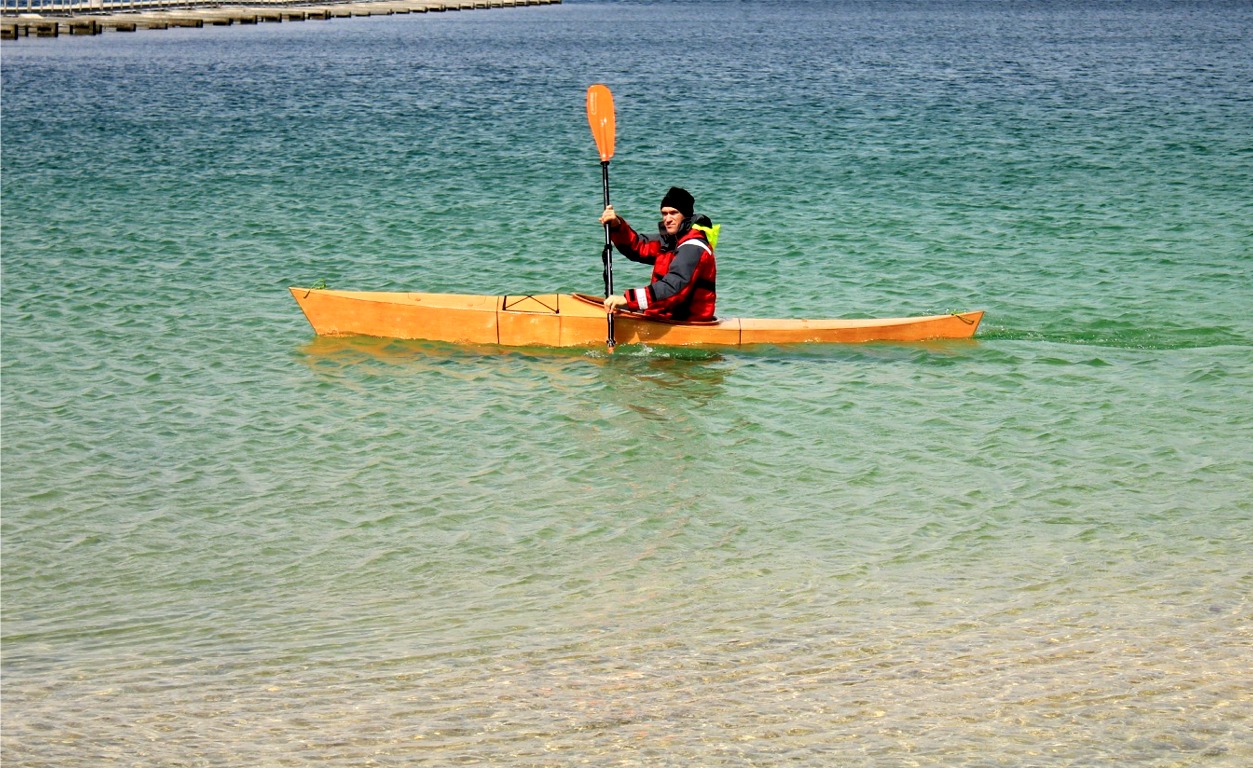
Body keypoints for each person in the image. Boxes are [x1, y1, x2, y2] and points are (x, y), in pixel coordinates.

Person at [599, 186, 717, 322]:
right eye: (664, 213)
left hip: (687, 321)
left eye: (673, 213)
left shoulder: (693, 247)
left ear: (686, 216)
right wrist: (616, 225)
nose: (667, 219)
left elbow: (673, 286)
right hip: (665, 315)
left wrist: (628, 299)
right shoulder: (671, 241)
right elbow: (637, 246)